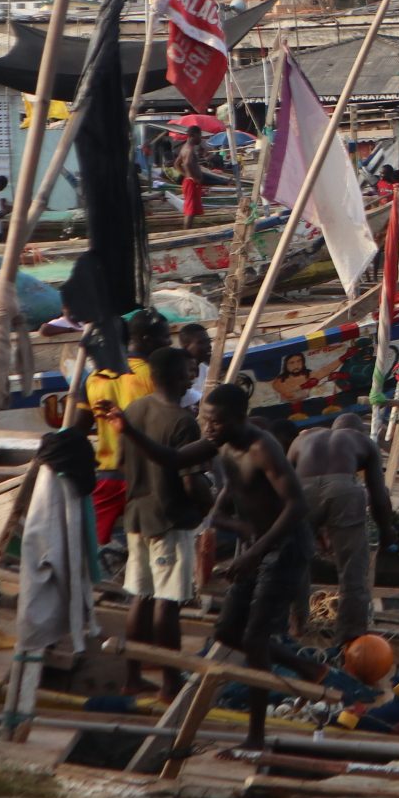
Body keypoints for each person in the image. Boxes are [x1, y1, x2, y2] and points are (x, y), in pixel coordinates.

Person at [102, 383, 310, 755]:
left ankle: (256, 737)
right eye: (206, 421)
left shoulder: (263, 448)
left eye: (215, 422)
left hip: (283, 549)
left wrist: (253, 553)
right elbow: (171, 458)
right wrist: (128, 429)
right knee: (227, 631)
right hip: (255, 548)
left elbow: (296, 506)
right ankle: (304, 668)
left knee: (255, 641)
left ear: (238, 418)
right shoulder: (220, 443)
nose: (208, 428)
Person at [117, 348, 206, 698]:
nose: (191, 376)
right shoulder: (183, 421)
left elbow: (124, 459)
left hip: (137, 513)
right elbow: (190, 480)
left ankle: (133, 675)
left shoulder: (134, 410)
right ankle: (170, 681)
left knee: (140, 595)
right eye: (187, 371)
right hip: (169, 518)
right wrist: (208, 505)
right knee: (167, 602)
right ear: (172, 377)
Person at [287, 414, 395, 646]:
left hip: (300, 490)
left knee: (296, 561)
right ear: (359, 431)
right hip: (344, 490)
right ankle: (350, 639)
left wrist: (312, 530)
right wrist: (387, 531)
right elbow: (378, 496)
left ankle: (296, 625)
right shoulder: (363, 441)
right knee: (352, 568)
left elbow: (285, 481)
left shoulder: (303, 438)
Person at [85, 310, 169, 550]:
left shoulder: (92, 378)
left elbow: (79, 426)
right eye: (164, 337)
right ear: (144, 339)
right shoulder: (154, 375)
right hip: (147, 476)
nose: (168, 343)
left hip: (108, 474)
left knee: (93, 550)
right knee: (155, 548)